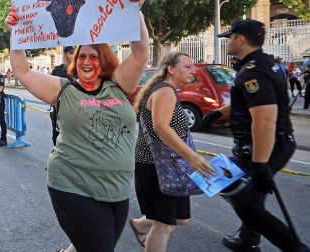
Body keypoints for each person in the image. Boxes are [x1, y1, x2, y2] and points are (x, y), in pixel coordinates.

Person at [5, 0, 149, 252]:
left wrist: (135, 11)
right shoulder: (63, 91)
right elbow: (22, 70)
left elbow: (140, 53)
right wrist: (16, 33)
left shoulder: (119, 86)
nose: (86, 61)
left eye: (93, 57)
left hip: (117, 190)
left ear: (103, 61)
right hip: (72, 187)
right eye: (81, 56)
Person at [216, 19, 308, 252]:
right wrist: (218, 113)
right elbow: (254, 102)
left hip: (266, 146)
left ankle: (294, 247)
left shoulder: (254, 71)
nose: (227, 41)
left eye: (229, 37)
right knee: (249, 196)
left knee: (245, 203)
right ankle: (248, 238)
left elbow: (264, 119)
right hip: (267, 144)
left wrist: (259, 165)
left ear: (241, 39)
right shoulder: (263, 64)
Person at [129, 52, 215, 251]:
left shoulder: (165, 89)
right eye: (187, 66)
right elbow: (161, 127)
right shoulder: (164, 91)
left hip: (170, 166)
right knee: (164, 225)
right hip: (155, 167)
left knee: (181, 219)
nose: (193, 70)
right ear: (171, 69)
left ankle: (139, 224)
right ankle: (146, 225)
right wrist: (192, 156)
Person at [50, 46, 75, 146]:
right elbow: (50, 88)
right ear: (65, 54)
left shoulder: (80, 69)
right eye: (71, 52)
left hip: (75, 110)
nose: (74, 55)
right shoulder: (57, 70)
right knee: (56, 137)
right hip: (59, 109)